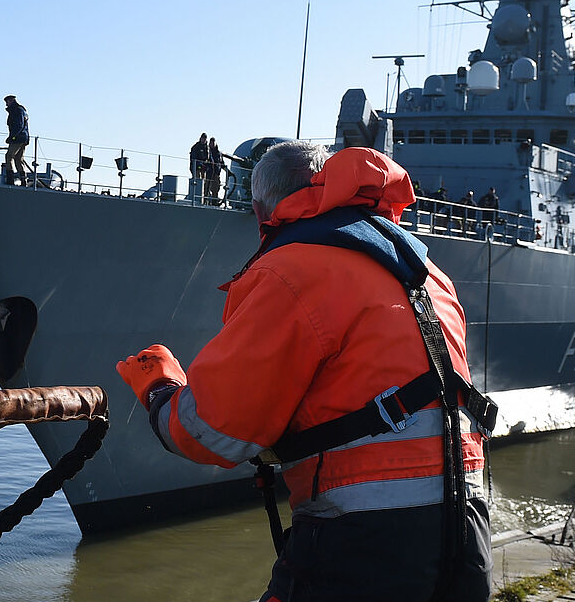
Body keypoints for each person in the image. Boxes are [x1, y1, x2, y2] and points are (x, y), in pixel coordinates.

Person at [117, 141, 494, 601]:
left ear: (260, 210)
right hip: (467, 524)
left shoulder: (290, 270)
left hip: (367, 537)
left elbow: (214, 432)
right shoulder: (426, 270)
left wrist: (160, 390)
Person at [3, 95, 30, 185]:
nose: (6, 104)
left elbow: (19, 125)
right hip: (23, 137)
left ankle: (10, 179)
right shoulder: (21, 110)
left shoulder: (17, 111)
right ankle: (23, 180)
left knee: (9, 156)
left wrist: (12, 137)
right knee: (18, 159)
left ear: (11, 101)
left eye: (7, 102)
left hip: (18, 138)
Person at [204, 137, 228, 205]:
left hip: (216, 174)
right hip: (209, 173)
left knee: (216, 188)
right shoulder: (207, 151)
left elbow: (222, 163)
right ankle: (205, 201)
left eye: (213, 142)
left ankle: (214, 201)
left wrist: (226, 170)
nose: (212, 144)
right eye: (211, 143)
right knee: (206, 188)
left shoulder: (218, 153)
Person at [189, 133, 209, 200]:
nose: (204, 140)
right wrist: (199, 164)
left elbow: (208, 158)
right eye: (203, 138)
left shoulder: (207, 148)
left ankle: (203, 197)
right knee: (198, 179)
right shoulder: (196, 147)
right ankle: (196, 196)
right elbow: (193, 158)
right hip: (197, 166)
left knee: (204, 181)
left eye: (205, 139)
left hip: (203, 167)